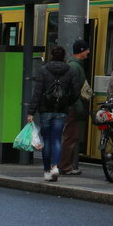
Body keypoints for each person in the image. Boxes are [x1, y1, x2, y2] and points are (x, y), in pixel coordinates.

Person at [27, 44, 82, 182]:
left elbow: (37, 93)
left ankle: (46, 171)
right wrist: (67, 103)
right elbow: (76, 92)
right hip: (61, 110)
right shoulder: (70, 70)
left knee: (47, 141)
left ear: (51, 56)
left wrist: (31, 112)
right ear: (64, 57)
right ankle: (54, 167)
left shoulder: (43, 70)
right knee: (57, 139)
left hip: (45, 110)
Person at [59, 39, 91, 176]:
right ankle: (65, 166)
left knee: (71, 136)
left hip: (72, 107)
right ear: (81, 51)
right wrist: (79, 108)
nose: (89, 52)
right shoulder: (74, 67)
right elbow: (74, 91)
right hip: (73, 107)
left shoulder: (74, 65)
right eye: (87, 50)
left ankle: (66, 165)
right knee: (70, 137)